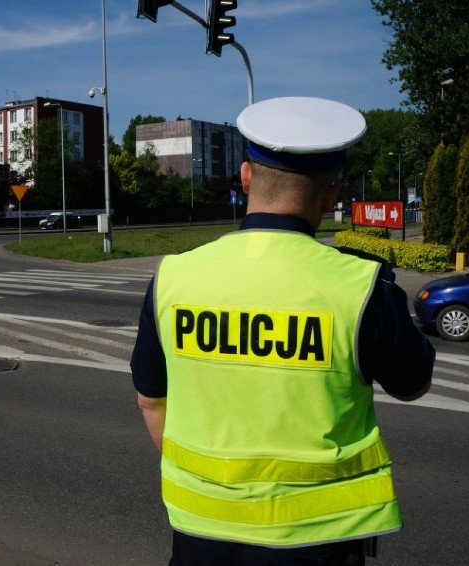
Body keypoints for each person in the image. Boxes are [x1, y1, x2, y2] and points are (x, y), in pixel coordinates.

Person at [130, 97, 436, 565]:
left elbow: (151, 401)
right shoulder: (363, 287)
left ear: (247, 177)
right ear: (332, 193)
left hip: (200, 537)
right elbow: (413, 385)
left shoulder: (173, 277)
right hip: (321, 544)